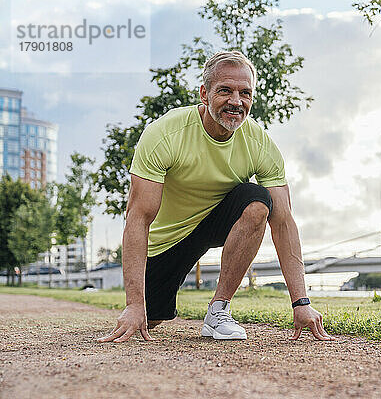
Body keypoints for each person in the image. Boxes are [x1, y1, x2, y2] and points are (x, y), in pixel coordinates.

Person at [98, 51, 333, 342]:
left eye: (245, 93)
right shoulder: (164, 134)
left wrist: (302, 303)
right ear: (204, 94)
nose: (236, 101)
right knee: (151, 319)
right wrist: (134, 304)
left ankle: (218, 310)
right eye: (225, 91)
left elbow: (283, 222)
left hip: (216, 222)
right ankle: (143, 307)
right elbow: (138, 218)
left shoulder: (259, 143)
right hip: (166, 242)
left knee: (258, 200)